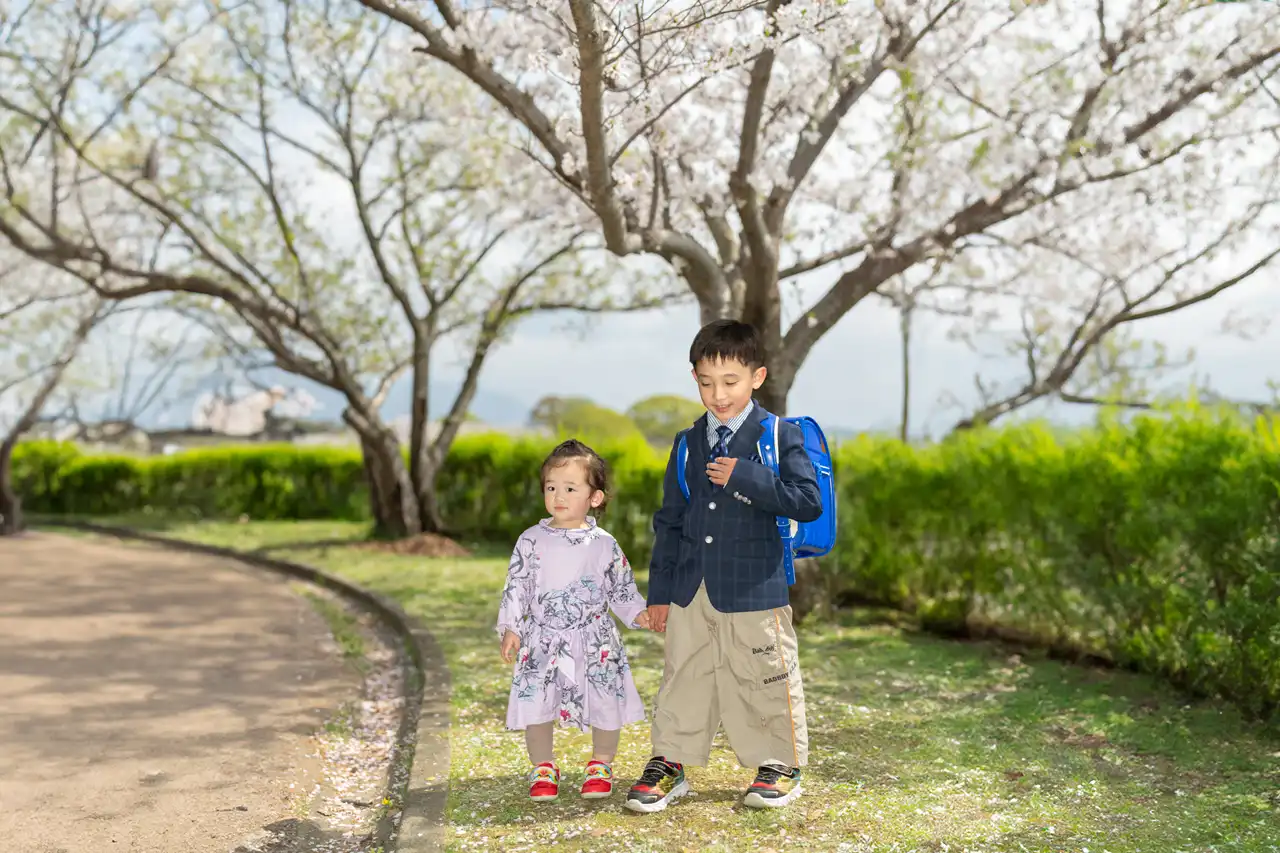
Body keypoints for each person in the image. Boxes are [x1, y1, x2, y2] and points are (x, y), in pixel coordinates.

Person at [625, 319, 823, 813]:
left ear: (757, 377)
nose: (718, 394)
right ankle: (669, 762)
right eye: (707, 382)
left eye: (731, 382)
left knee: (764, 675)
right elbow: (669, 522)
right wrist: (659, 594)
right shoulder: (687, 442)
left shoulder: (780, 435)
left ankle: (779, 763)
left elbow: (807, 501)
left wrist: (748, 477)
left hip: (757, 589)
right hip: (692, 588)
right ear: (694, 378)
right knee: (682, 676)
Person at [496, 438, 652, 802]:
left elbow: (621, 588)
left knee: (604, 698)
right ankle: (542, 766)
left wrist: (640, 613)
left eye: (570, 488)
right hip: (542, 637)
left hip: (594, 639)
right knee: (537, 699)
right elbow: (516, 586)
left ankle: (601, 764)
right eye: (551, 487)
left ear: (594, 498)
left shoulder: (603, 543)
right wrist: (511, 627)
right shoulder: (531, 540)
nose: (558, 496)